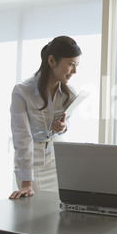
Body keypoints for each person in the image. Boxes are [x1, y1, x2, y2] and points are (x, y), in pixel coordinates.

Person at [9, 35, 82, 199]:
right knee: (33, 217)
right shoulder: (22, 91)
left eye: (77, 65)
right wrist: (26, 182)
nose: (75, 71)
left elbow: (65, 125)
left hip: (57, 160)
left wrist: (63, 128)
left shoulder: (69, 93)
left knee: (59, 214)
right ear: (51, 61)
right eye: (70, 64)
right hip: (31, 161)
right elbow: (22, 137)